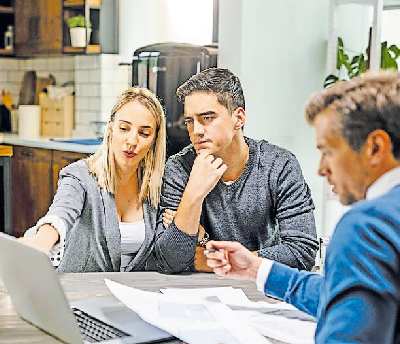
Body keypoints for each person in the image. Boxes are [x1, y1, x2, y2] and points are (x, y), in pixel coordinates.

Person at [206, 70, 400, 343]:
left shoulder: (368, 225)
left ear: (375, 147)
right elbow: (343, 296)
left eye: (328, 151)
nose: (321, 169)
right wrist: (255, 268)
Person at [155, 68, 318, 273]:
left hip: (264, 292)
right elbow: (169, 262)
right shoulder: (179, 168)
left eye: (207, 118)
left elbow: (302, 252)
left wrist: (215, 260)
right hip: (197, 294)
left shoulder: (279, 165)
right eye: (190, 121)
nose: (195, 130)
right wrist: (193, 195)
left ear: (238, 118)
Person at [21, 87, 166, 273]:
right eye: (124, 128)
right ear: (110, 128)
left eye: (144, 133)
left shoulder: (156, 186)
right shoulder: (80, 176)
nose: (132, 140)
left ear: (154, 139)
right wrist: (43, 240)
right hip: (79, 293)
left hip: (130, 296)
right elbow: (62, 211)